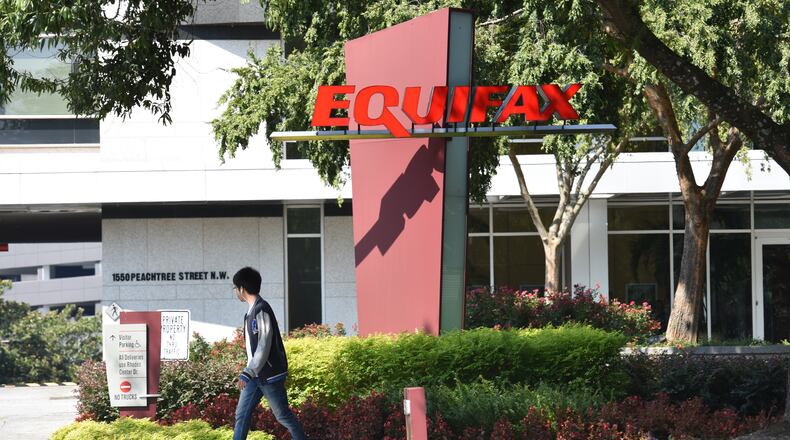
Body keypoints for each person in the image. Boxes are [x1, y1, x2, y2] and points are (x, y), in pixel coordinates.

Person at [232, 267, 306, 440]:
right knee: (241, 415)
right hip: (254, 376)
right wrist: (249, 372)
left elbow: (264, 345)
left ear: (242, 288)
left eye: (235, 288)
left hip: (269, 375)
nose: (235, 291)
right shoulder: (250, 312)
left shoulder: (261, 309)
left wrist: (247, 372)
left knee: (283, 416)